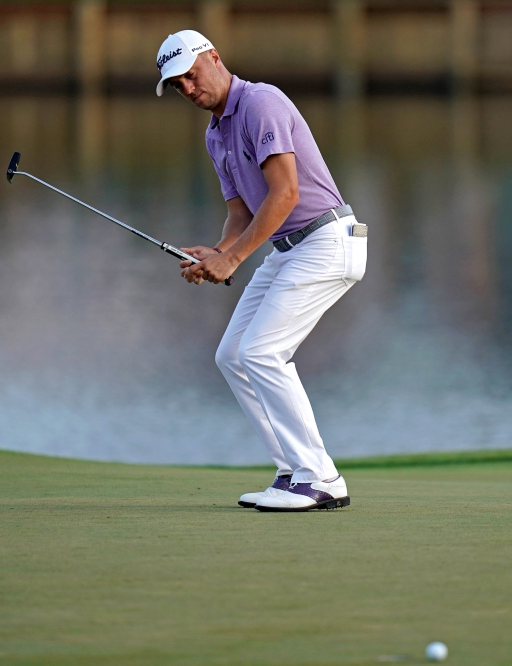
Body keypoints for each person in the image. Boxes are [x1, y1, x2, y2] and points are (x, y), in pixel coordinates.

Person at [155, 30, 367, 511]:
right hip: (290, 248)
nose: (188, 88)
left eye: (191, 75)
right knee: (232, 355)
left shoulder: (260, 103)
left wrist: (231, 260)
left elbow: (285, 193)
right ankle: (293, 470)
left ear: (214, 58)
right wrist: (213, 252)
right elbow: (242, 215)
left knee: (262, 352)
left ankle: (322, 478)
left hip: (328, 240)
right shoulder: (215, 133)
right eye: (176, 85)